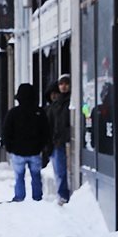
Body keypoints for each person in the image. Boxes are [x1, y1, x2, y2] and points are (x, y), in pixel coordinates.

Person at [1, 82, 49, 202]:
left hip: (17, 151)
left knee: (19, 176)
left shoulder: (13, 113)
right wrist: (41, 146)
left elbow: (6, 131)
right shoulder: (39, 112)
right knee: (36, 176)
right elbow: (45, 131)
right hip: (35, 150)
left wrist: (9, 147)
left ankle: (19, 196)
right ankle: (37, 196)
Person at [46, 73, 72, 205]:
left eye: (66, 83)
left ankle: (64, 195)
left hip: (66, 140)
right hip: (56, 142)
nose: (64, 86)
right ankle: (62, 194)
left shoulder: (72, 101)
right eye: (61, 84)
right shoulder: (55, 105)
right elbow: (49, 124)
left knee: (62, 170)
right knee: (59, 170)